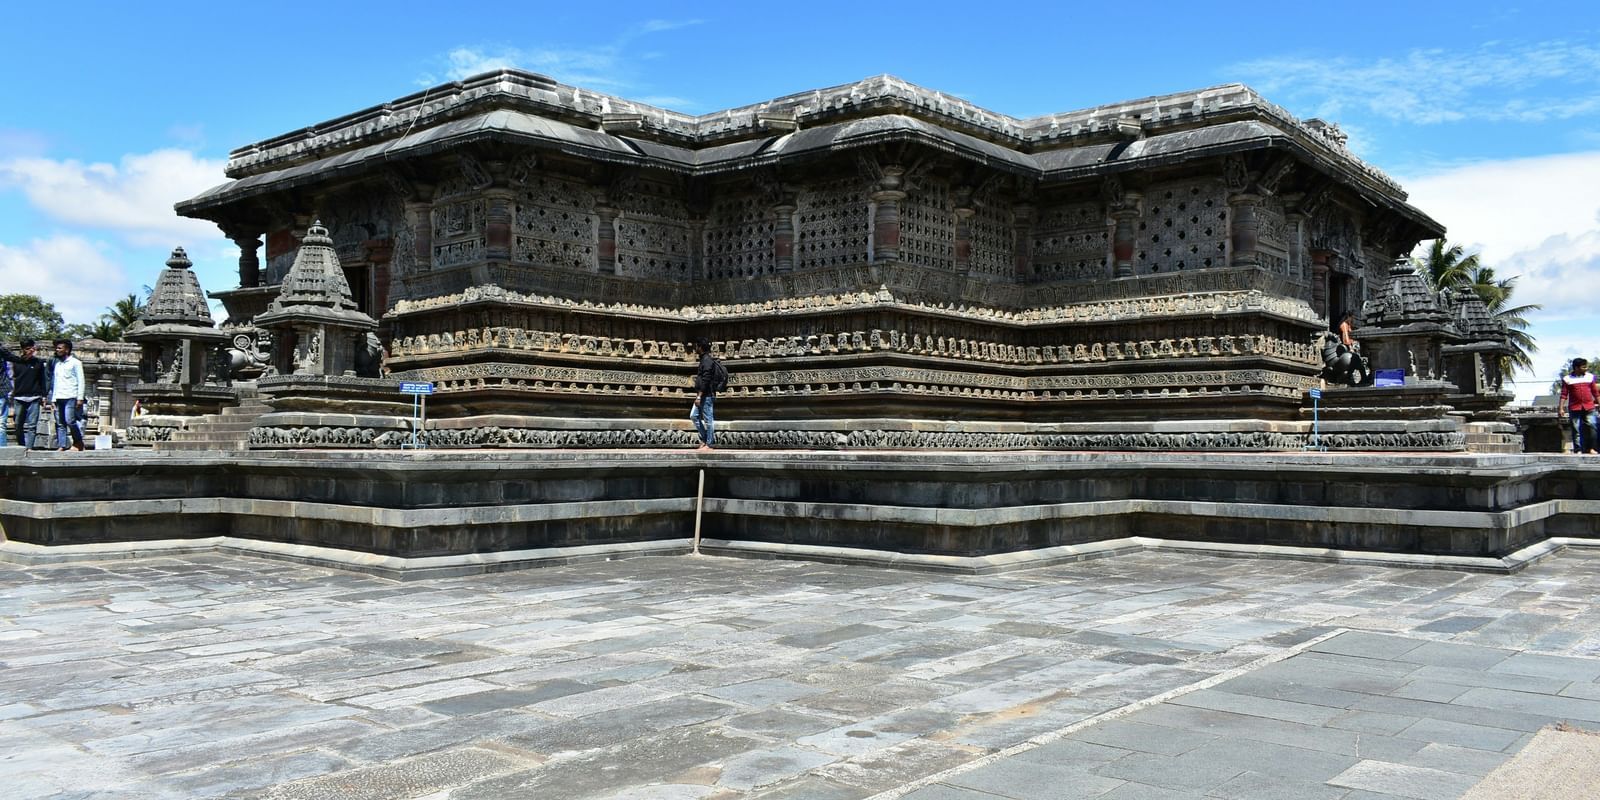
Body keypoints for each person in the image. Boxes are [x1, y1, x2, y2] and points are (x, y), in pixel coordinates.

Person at [0, 339, 51, 450]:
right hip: (19, 396)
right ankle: (22, 445)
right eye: (27, 349)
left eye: (31, 348)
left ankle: (29, 447)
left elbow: (43, 379)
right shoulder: (16, 362)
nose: (30, 351)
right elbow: (11, 377)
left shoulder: (38, 362)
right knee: (18, 424)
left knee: (32, 425)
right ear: (23, 349)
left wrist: (44, 395)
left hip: (34, 396)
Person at [689, 338, 727, 452]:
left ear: (700, 347)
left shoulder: (707, 361)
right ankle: (705, 439)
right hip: (702, 394)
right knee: (693, 416)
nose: (695, 349)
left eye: (696, 346)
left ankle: (709, 444)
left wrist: (699, 396)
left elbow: (706, 380)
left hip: (706, 395)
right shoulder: (704, 360)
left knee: (708, 420)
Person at [49, 339, 86, 452]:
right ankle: (62, 445)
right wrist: (53, 399)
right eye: (57, 348)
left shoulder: (76, 363)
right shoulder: (58, 364)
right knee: (60, 422)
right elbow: (56, 382)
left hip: (71, 396)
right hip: (59, 396)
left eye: (60, 348)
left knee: (70, 420)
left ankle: (78, 441)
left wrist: (80, 398)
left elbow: (81, 380)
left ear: (67, 349)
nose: (57, 350)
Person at [1560, 358, 1600, 455]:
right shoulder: (1567, 379)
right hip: (1575, 407)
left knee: (1592, 427)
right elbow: (1564, 394)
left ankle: (1592, 448)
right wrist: (1561, 408)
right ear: (1576, 368)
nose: (1586, 368)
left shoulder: (1590, 377)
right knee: (1576, 429)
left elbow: (1595, 392)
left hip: (1589, 406)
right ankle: (1578, 449)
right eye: (1583, 367)